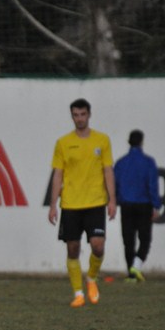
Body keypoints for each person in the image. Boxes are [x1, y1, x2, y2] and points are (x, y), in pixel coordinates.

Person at [48, 98, 116, 308]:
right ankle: (78, 293)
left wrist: (112, 200)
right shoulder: (63, 143)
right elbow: (58, 175)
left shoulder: (102, 140)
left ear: (89, 115)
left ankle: (92, 278)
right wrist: (52, 205)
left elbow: (107, 171)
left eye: (83, 114)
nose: (79, 119)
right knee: (72, 249)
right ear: (72, 117)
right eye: (76, 115)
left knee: (98, 245)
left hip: (95, 202)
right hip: (70, 204)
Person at [114, 130, 161, 282]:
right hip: (144, 204)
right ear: (142, 142)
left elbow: (115, 185)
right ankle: (137, 264)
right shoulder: (148, 162)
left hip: (127, 205)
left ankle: (131, 273)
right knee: (145, 239)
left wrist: (116, 201)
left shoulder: (121, 162)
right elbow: (152, 185)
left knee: (128, 240)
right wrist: (156, 205)